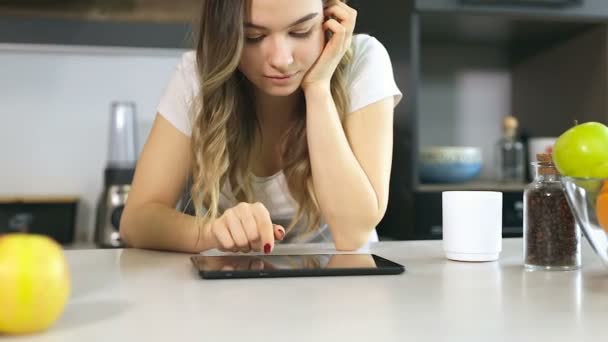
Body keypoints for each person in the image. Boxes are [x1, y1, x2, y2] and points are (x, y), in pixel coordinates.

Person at [120, 0, 402, 254]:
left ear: (331, 18)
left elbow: (353, 234)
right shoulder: (197, 76)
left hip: (344, 291)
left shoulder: (363, 60)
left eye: (301, 31)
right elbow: (137, 221)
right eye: (253, 36)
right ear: (226, 34)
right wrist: (213, 231)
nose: (281, 59)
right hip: (233, 290)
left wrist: (317, 88)